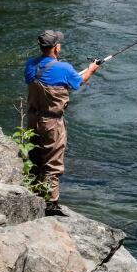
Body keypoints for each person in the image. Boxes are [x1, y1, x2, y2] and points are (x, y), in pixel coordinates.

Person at [23, 29, 100, 214]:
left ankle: (33, 194)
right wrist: (92, 69)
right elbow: (79, 81)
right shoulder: (64, 68)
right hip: (52, 122)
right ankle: (50, 204)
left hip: (32, 118)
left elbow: (43, 79)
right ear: (56, 48)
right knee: (52, 162)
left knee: (34, 157)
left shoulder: (30, 65)